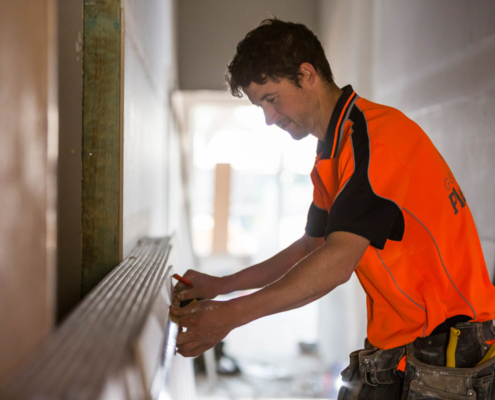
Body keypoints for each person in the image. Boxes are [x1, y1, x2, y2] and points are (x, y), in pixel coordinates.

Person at [170, 18, 495, 399]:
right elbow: (313, 247)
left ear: (307, 74)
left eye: (271, 99)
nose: (269, 118)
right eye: (261, 106)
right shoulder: (333, 151)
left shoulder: (375, 139)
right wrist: (223, 287)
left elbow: (338, 262)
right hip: (400, 345)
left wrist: (232, 316)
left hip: (451, 350)